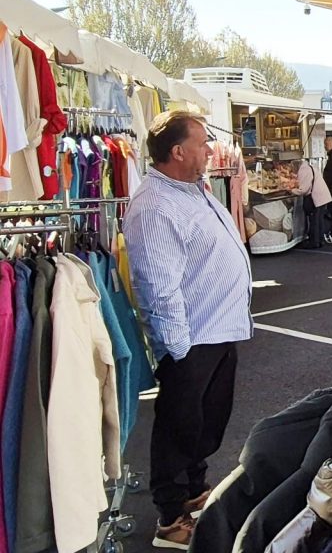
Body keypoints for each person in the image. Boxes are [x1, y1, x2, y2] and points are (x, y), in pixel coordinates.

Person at [123, 111, 253, 549]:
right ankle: (171, 520)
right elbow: (157, 285)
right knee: (179, 428)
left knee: (205, 425)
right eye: (201, 142)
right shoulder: (155, 205)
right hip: (191, 339)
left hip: (217, 329)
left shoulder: (193, 190)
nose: (209, 150)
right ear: (177, 152)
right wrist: (179, 350)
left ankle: (196, 496)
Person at [292, 157, 332, 248]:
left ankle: (314, 242)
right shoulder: (310, 167)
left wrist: (291, 190)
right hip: (323, 196)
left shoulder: (304, 170)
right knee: (319, 220)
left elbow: (303, 190)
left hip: (316, 197)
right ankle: (320, 240)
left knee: (315, 220)